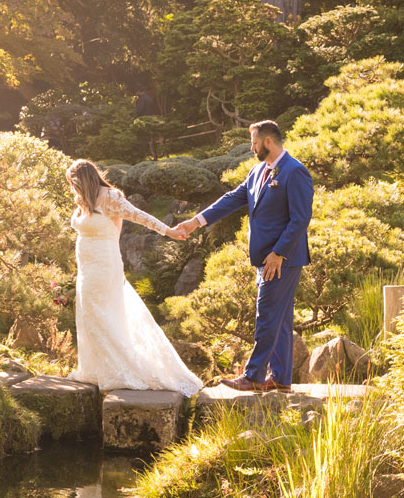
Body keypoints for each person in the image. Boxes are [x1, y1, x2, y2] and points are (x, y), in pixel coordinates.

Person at [170, 120, 313, 393]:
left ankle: (254, 376)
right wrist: (194, 222)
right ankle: (281, 378)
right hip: (265, 260)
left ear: (268, 142)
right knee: (280, 319)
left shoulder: (295, 172)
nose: (252, 147)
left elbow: (300, 219)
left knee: (267, 315)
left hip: (282, 261)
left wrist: (278, 254)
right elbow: (231, 199)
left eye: (255, 143)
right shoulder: (258, 171)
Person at [66, 159, 202, 396]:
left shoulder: (110, 197)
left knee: (103, 314)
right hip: (86, 266)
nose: (72, 188)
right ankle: (97, 369)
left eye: (73, 183)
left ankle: (122, 369)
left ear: (83, 180)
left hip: (104, 263)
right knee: (88, 314)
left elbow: (139, 216)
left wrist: (168, 230)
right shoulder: (83, 200)